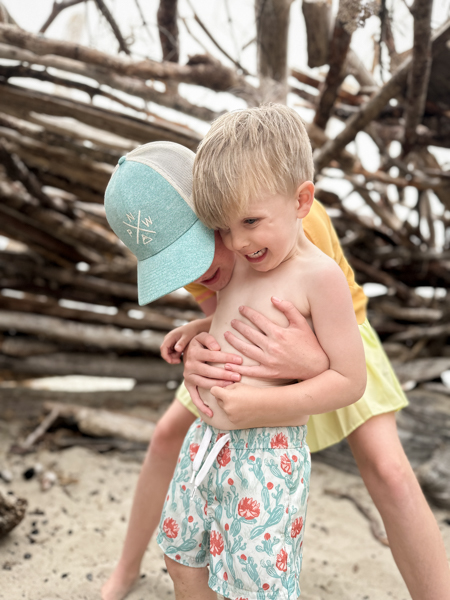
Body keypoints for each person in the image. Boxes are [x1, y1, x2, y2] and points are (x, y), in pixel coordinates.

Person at [102, 139, 450, 600]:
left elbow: (328, 327)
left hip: (336, 334)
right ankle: (126, 568)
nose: (195, 273)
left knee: (388, 470)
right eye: (177, 265)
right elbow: (228, 312)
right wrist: (198, 348)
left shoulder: (287, 222)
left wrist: (310, 363)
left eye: (198, 249)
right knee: (167, 436)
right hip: (251, 340)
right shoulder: (191, 261)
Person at [156, 104, 367, 600]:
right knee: (181, 556)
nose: (238, 241)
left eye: (251, 220)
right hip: (204, 442)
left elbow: (349, 380)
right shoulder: (247, 261)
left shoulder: (321, 278)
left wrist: (260, 405)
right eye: (226, 228)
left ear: (301, 200)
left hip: (267, 459)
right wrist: (199, 327)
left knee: (254, 584)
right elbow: (246, 317)